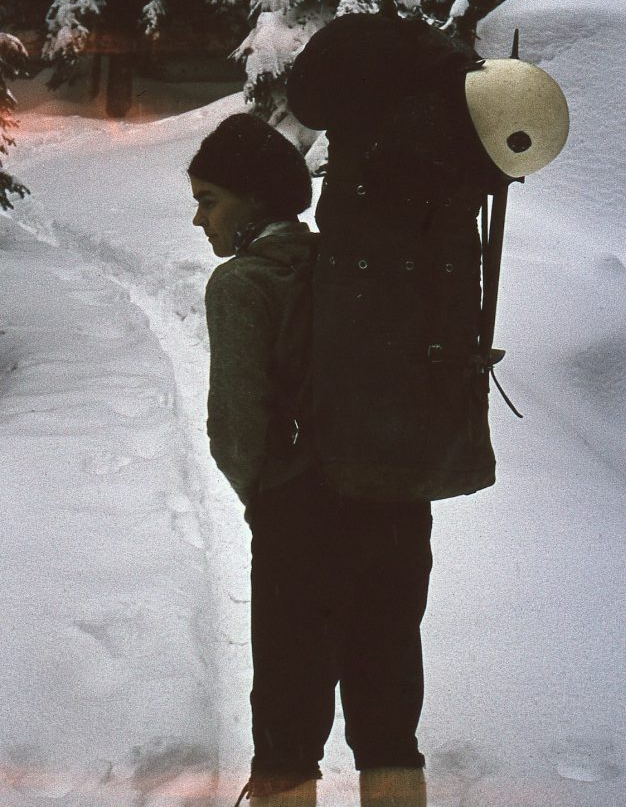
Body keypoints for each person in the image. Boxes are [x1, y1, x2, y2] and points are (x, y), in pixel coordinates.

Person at [188, 114, 432, 807]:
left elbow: (236, 428)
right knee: (386, 701)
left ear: (254, 201)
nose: (198, 218)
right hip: (394, 508)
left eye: (210, 199)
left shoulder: (242, 285)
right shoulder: (353, 263)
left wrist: (263, 499)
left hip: (302, 520)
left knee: (289, 714)